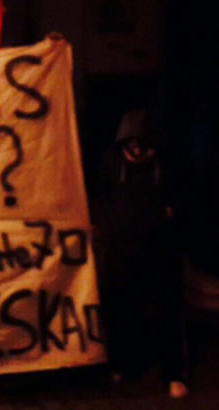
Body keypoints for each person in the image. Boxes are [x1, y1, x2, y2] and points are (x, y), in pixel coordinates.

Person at [96, 108, 189, 399]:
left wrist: (173, 212)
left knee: (166, 309)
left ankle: (173, 373)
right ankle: (124, 365)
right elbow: (102, 195)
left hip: (160, 249)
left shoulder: (165, 163)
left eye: (142, 144)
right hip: (122, 248)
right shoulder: (112, 162)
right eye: (131, 144)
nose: (136, 151)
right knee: (122, 307)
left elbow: (181, 197)